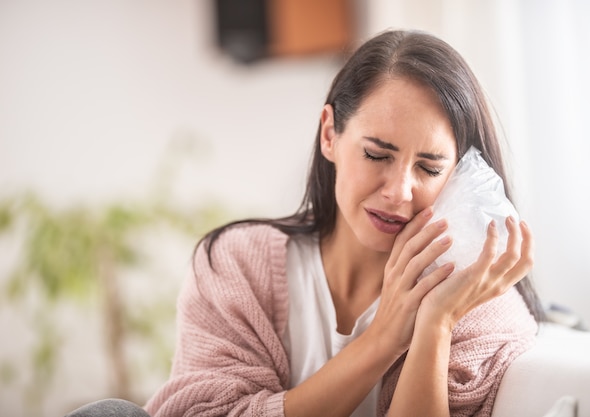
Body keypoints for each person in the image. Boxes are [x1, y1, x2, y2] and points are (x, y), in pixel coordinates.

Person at [66, 29, 543, 417]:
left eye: (430, 168)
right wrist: (381, 341)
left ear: (461, 175)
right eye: (377, 154)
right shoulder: (237, 264)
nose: (399, 191)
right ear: (330, 134)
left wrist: (435, 325)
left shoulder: (477, 307)